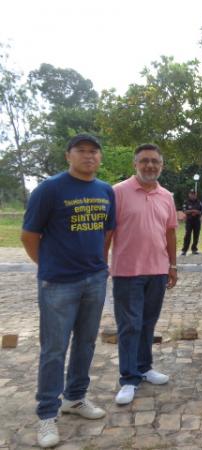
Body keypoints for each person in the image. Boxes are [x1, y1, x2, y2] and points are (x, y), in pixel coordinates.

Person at [21, 134, 115, 448]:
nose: (88, 156)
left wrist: (100, 263)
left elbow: (107, 229)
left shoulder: (104, 190)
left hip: (95, 279)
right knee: (53, 349)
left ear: (100, 158)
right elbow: (28, 235)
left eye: (94, 152)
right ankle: (47, 414)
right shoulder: (49, 189)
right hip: (58, 283)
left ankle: (75, 397)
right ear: (68, 156)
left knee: (86, 342)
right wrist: (47, 265)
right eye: (81, 151)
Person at [109, 143, 178, 405]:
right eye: (145, 161)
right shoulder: (118, 192)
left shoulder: (167, 196)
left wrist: (172, 265)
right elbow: (108, 232)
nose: (150, 165)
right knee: (129, 326)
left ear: (161, 165)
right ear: (135, 163)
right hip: (127, 271)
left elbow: (170, 232)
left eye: (155, 162)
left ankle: (144, 367)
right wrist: (102, 262)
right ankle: (128, 378)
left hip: (158, 271)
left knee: (148, 323)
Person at [181, 189, 202, 256]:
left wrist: (197, 212)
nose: (192, 195)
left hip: (197, 221)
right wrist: (193, 211)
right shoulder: (186, 202)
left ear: (196, 195)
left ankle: (194, 249)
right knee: (187, 235)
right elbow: (184, 211)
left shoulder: (199, 202)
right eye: (191, 194)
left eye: (194, 194)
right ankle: (184, 250)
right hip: (189, 221)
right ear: (189, 194)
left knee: (196, 235)